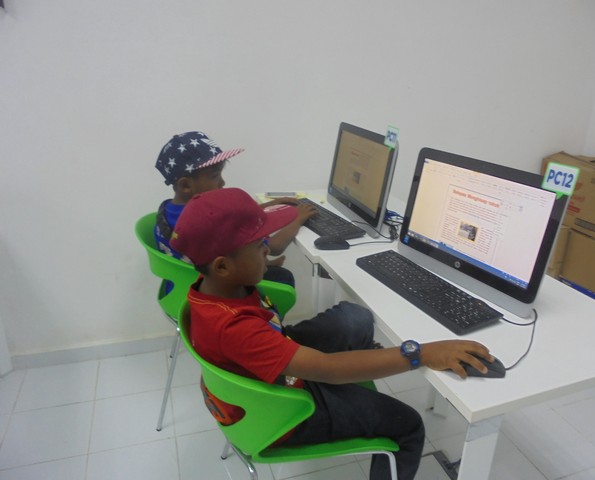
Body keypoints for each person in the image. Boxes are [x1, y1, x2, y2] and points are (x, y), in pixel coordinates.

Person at [170, 188, 495, 480]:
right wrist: (418, 354)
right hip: (285, 409)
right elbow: (328, 369)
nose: (268, 248)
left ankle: (362, 367)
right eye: (259, 245)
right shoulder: (234, 327)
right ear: (223, 266)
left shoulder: (218, 289)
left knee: (355, 319)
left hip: (271, 364)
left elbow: (272, 332)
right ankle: (361, 382)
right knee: (407, 425)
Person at [154, 130, 316, 286]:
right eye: (215, 176)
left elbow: (230, 217)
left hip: (181, 283)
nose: (222, 182)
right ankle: (265, 269)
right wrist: (298, 219)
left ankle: (265, 264)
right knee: (282, 276)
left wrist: (269, 205)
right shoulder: (206, 224)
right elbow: (274, 247)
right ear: (186, 185)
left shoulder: (169, 210)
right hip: (215, 287)